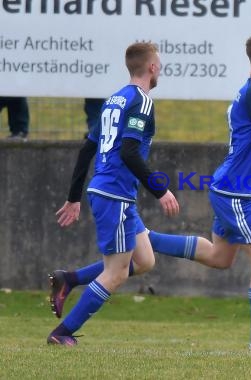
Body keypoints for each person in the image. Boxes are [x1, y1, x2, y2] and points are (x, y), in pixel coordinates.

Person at [49, 32, 251, 351]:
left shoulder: (116, 99)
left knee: (199, 258)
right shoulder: (249, 93)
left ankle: (80, 275)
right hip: (224, 193)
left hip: (179, 190)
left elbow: (250, 150)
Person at [46, 42, 181, 346]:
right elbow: (130, 152)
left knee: (144, 259)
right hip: (115, 195)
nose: (159, 68)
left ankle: (71, 279)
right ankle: (62, 333)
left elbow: (87, 148)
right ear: (152, 68)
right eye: (158, 63)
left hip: (110, 193)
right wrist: (161, 190)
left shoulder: (114, 100)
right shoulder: (142, 101)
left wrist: (74, 196)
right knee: (116, 273)